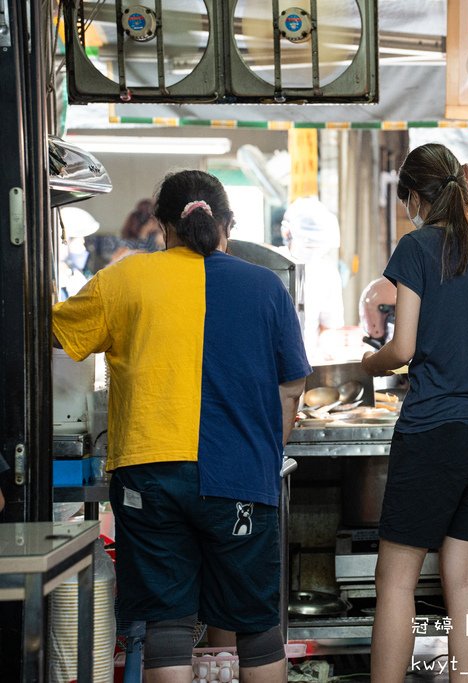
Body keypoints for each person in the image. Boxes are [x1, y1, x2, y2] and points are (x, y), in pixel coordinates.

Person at [52, 170, 310, 683]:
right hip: (239, 474)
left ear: (163, 227)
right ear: (226, 226)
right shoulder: (265, 287)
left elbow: (54, 333)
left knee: (167, 625)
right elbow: (290, 389)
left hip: (149, 474)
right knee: (256, 628)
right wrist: (264, 455)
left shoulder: (123, 279)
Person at [361, 144, 468, 683]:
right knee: (465, 577)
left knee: (397, 580)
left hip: (435, 427)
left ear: (413, 197)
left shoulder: (417, 247)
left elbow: (401, 348)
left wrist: (366, 362)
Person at [281, 196, 347, 364]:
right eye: (308, 245)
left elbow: (329, 326)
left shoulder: (328, 274)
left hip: (308, 362)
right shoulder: (273, 266)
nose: (313, 251)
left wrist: (327, 350)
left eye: (318, 246)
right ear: (287, 234)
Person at [57, 207, 99, 300]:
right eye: (80, 243)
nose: (84, 249)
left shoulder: (76, 276)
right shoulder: (57, 281)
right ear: (64, 242)